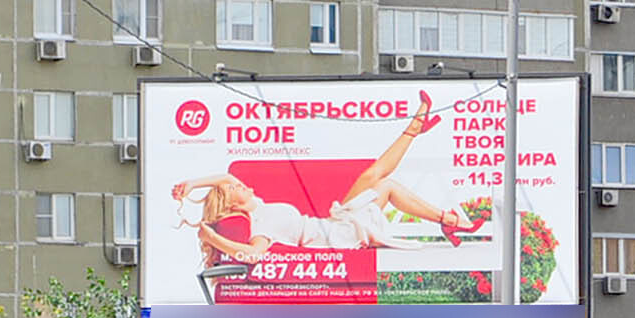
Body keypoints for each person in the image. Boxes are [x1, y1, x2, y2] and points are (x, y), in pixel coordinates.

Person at [171, 93, 479, 267]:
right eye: (232, 188)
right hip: (339, 237)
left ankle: (416, 134)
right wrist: (212, 239)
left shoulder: (260, 206)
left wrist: (193, 184)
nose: (236, 182)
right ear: (232, 204)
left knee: (373, 176)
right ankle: (448, 216)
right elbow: (252, 256)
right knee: (383, 183)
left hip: (335, 222)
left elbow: (225, 176)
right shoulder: (261, 224)